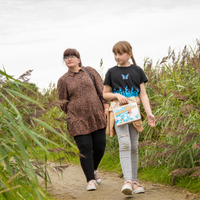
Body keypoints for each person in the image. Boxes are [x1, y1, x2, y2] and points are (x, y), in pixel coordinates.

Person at [103, 41, 156, 195]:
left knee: (133, 145)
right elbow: (105, 94)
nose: (117, 57)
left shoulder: (137, 70)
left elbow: (143, 94)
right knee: (124, 143)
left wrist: (149, 112)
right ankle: (127, 181)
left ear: (129, 55)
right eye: (115, 54)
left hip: (134, 111)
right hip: (119, 112)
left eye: (120, 54)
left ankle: (134, 181)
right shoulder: (111, 72)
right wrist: (117, 95)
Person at [57, 48, 109, 191]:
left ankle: (94, 168)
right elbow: (63, 102)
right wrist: (74, 113)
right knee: (85, 148)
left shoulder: (90, 71)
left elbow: (101, 90)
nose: (69, 58)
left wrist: (105, 107)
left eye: (72, 56)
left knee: (100, 145)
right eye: (66, 57)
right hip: (77, 119)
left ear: (79, 59)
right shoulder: (63, 80)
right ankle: (90, 180)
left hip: (97, 115)